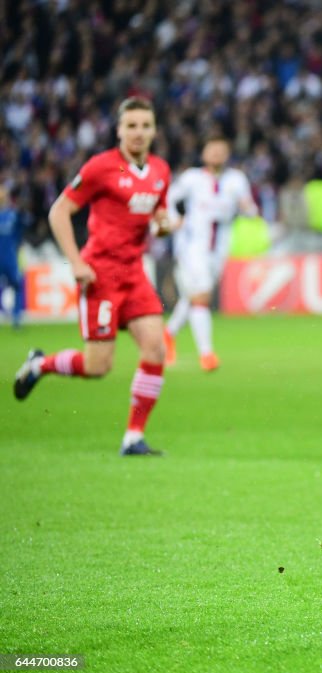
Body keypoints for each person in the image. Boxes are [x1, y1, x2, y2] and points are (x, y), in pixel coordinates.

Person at [13, 97, 173, 456]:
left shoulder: (161, 170)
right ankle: (41, 364)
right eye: (131, 125)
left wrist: (164, 226)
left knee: (155, 348)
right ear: (118, 130)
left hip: (134, 271)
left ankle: (134, 437)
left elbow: (158, 213)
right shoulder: (101, 167)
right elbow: (59, 212)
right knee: (98, 365)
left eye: (145, 126)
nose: (138, 132)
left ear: (154, 130)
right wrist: (76, 262)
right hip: (100, 274)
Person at [163, 136, 257, 371]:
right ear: (204, 154)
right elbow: (168, 197)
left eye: (221, 150)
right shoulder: (192, 178)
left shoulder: (236, 179)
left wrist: (249, 210)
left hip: (219, 249)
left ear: (227, 155)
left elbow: (250, 208)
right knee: (202, 294)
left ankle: (168, 333)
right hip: (192, 246)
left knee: (195, 297)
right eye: (211, 149)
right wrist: (174, 219)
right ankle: (207, 354)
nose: (216, 154)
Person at [0, 186, 27, 329]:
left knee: (17, 285)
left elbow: (23, 227)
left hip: (10, 258)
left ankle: (16, 318)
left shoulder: (13, 214)